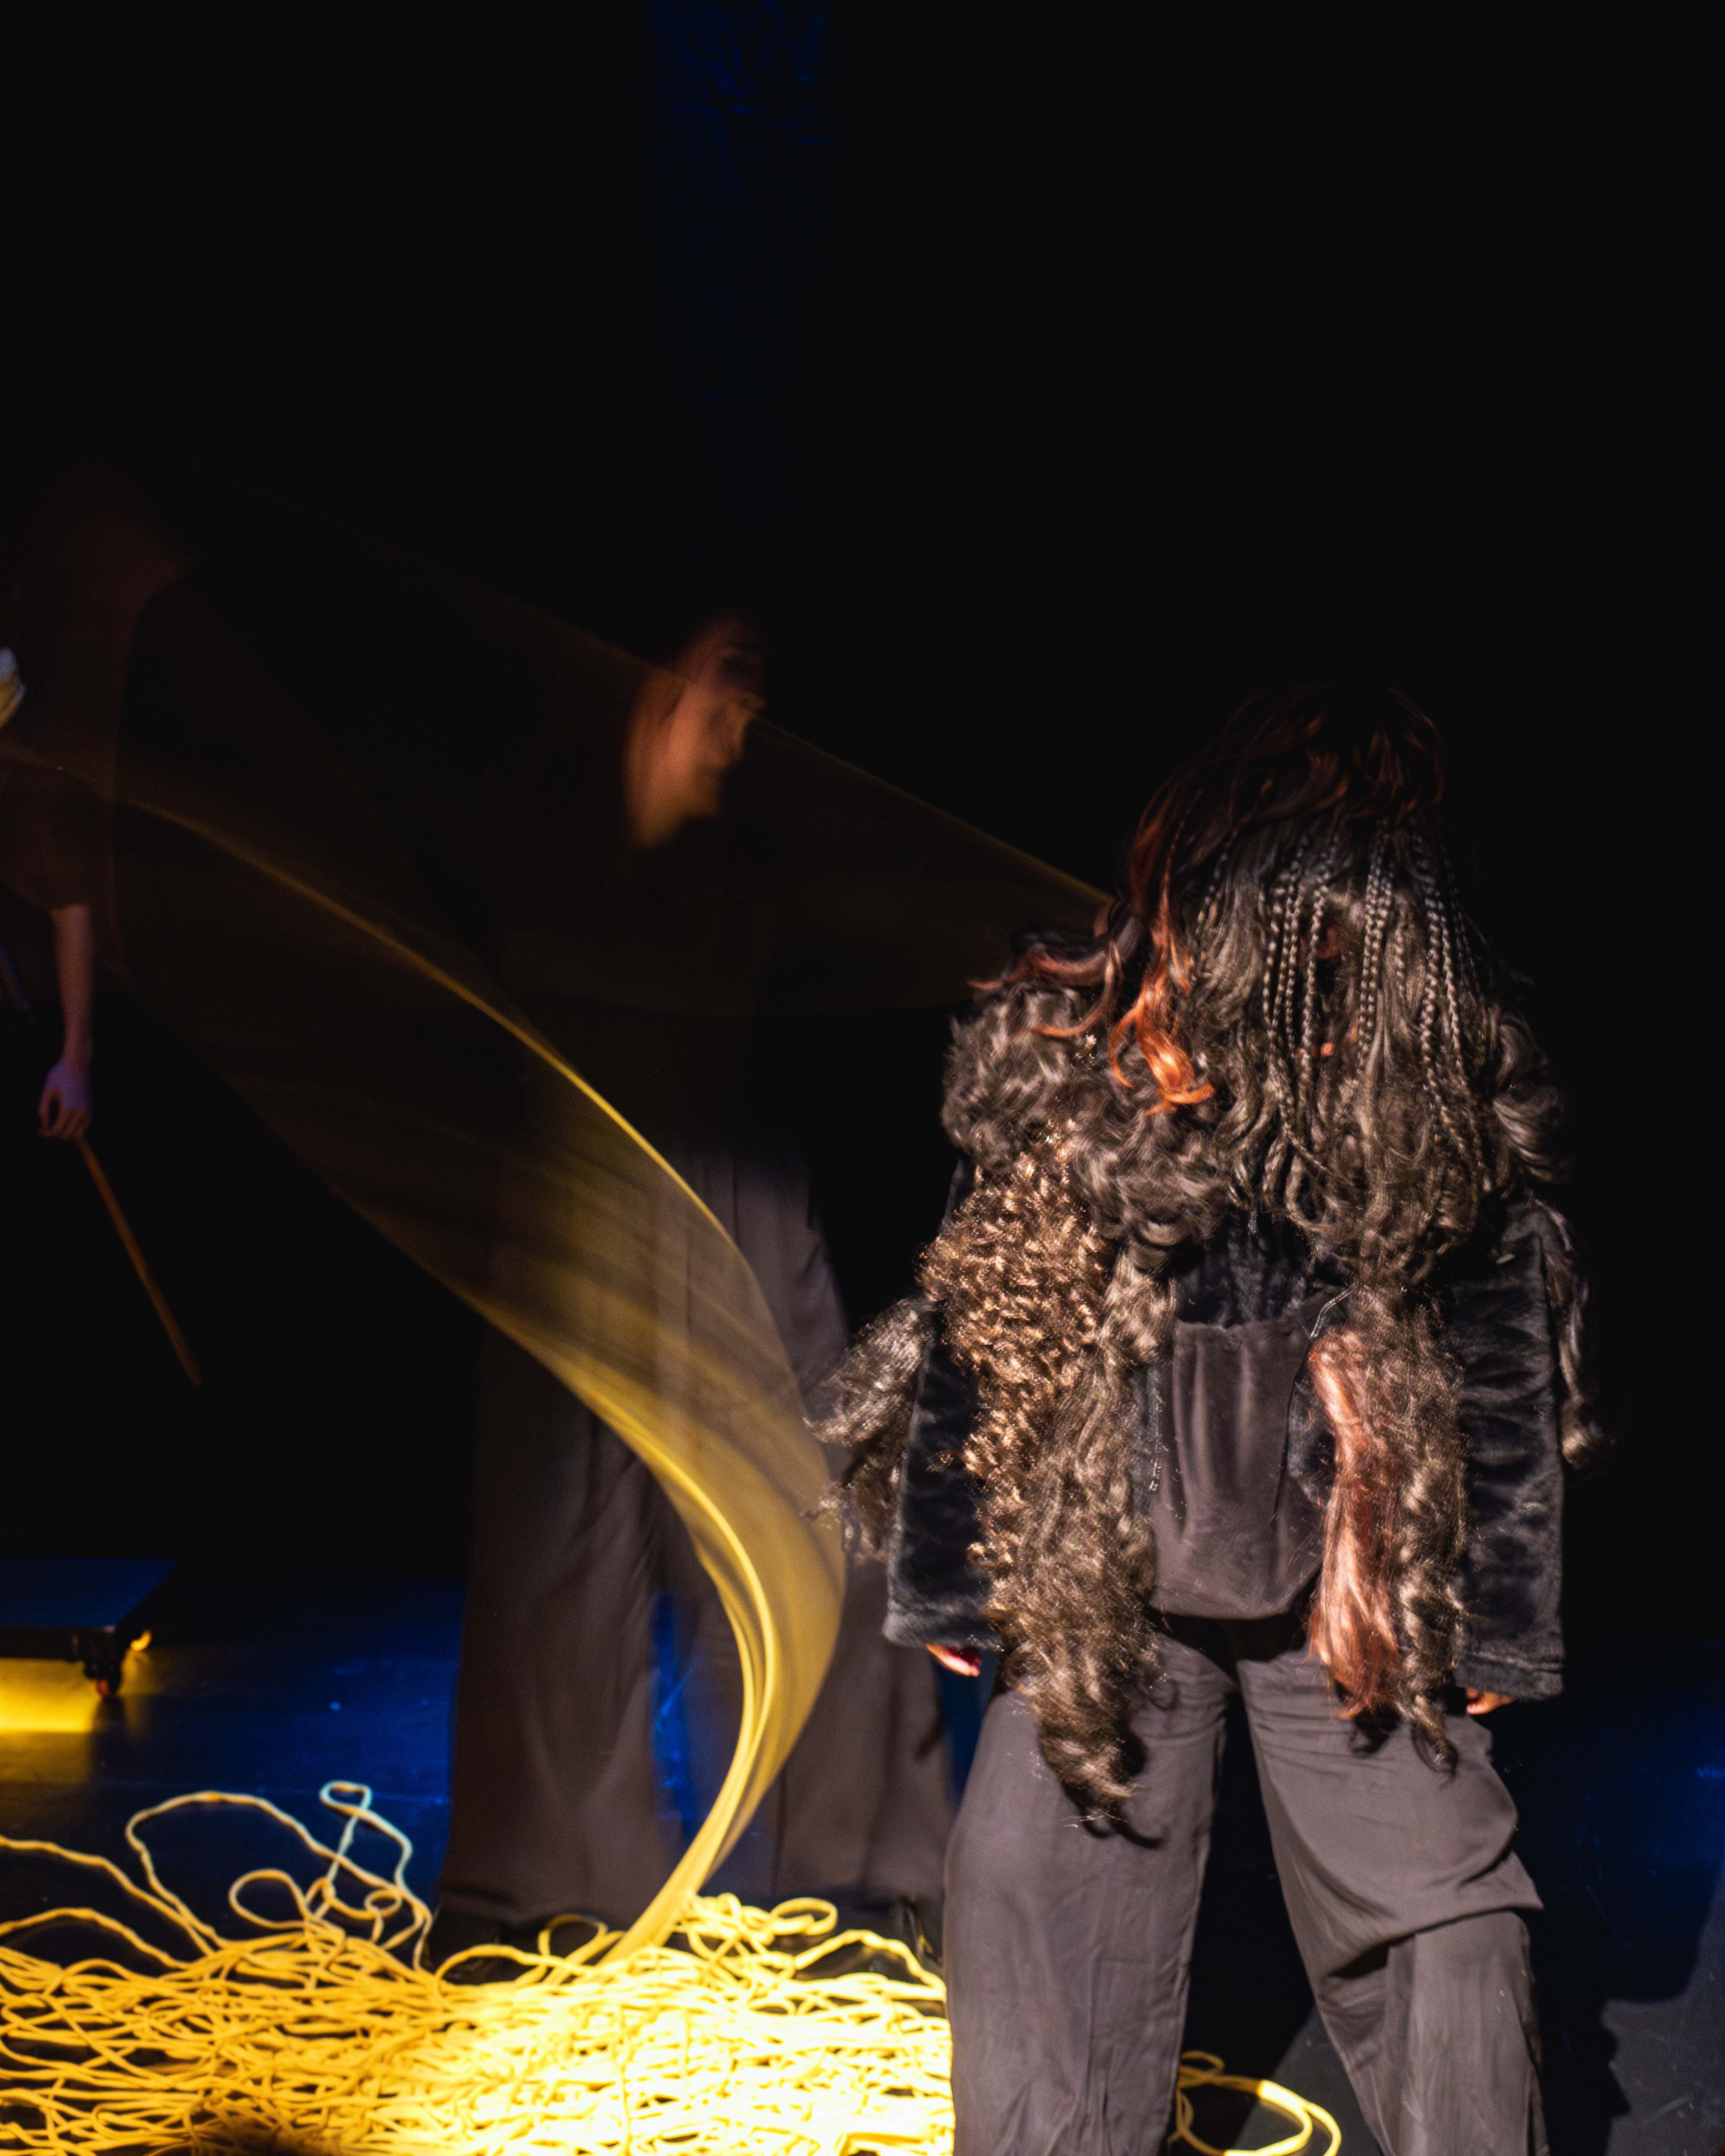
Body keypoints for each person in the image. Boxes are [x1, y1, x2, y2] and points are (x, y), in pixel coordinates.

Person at [824, 686, 1599, 2155]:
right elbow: (981, 1308)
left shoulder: (1421, 1071)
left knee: (1445, 1917)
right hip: (1110, 1573)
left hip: (1347, 1581)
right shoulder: (1082, 1043)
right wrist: (956, 1566)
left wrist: (1496, 1618)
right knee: (1034, 1899)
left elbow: (1497, 1338)